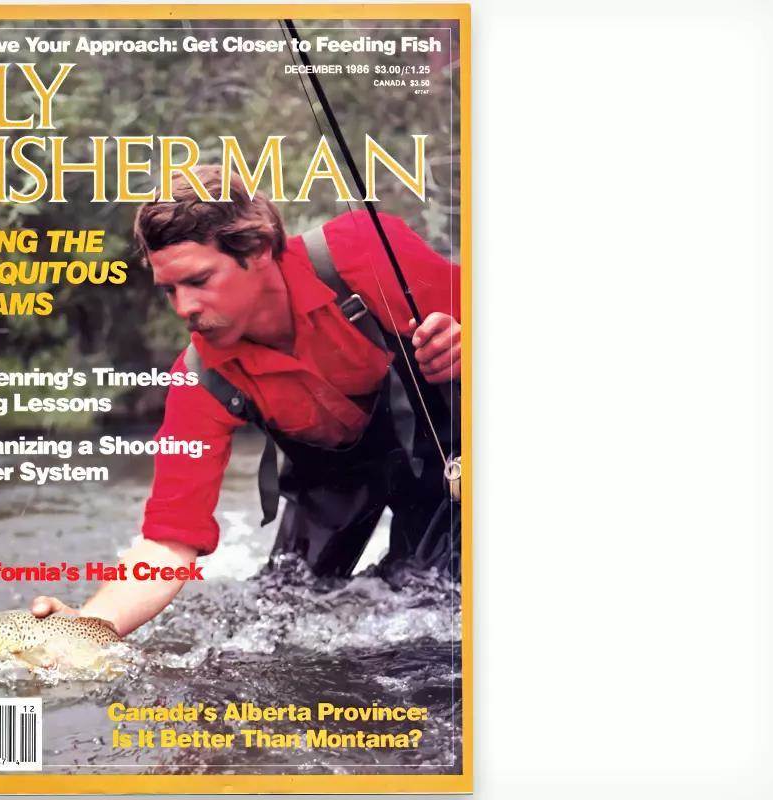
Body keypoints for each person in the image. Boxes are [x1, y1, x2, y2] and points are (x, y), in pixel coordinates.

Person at [33, 166, 462, 636]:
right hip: (331, 485)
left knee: (429, 598)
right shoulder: (200, 379)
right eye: (170, 290)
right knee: (282, 615)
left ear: (257, 249)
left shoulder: (363, 249)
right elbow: (169, 540)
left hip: (444, 460)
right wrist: (88, 627)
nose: (184, 308)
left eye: (199, 280)